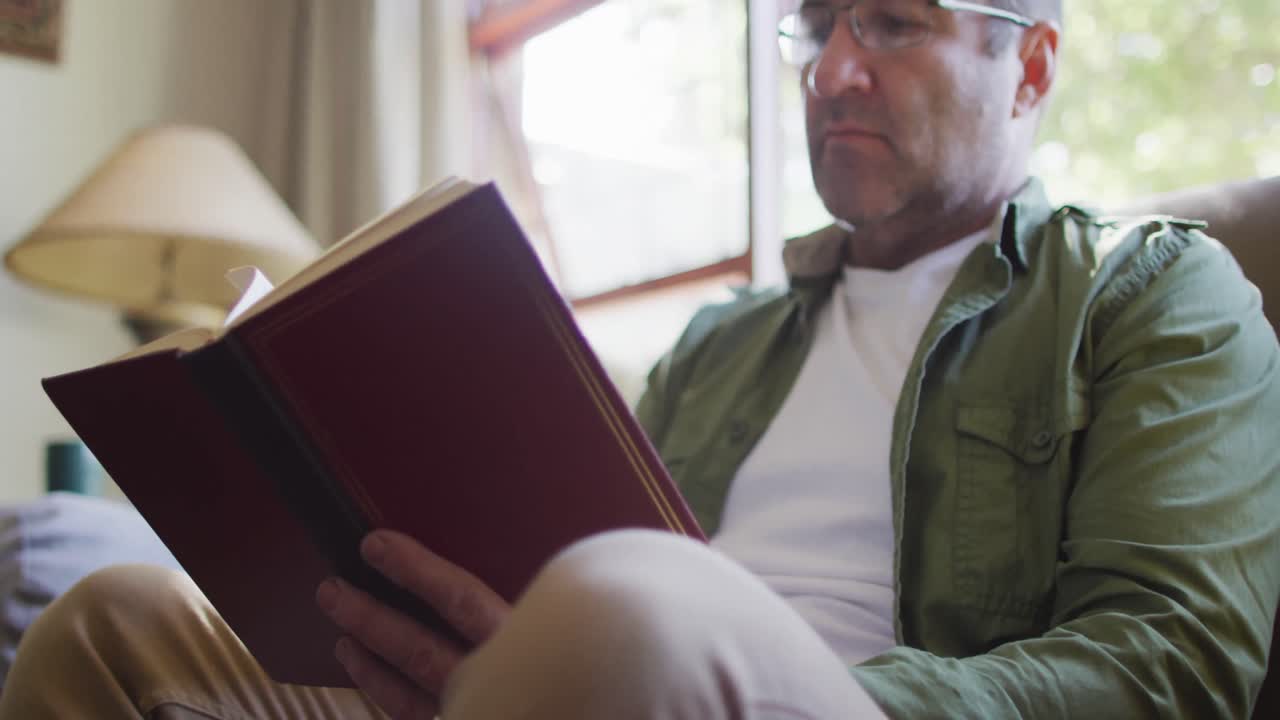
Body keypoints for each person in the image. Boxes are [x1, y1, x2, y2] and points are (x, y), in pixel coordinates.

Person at [3, 0, 1278, 717]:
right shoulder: (726, 338)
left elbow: (1170, 659)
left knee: (629, 603)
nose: (833, 67)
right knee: (121, 619)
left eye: (892, 20)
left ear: (1030, 67)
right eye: (815, 21)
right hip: (576, 680)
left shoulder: (1153, 295)